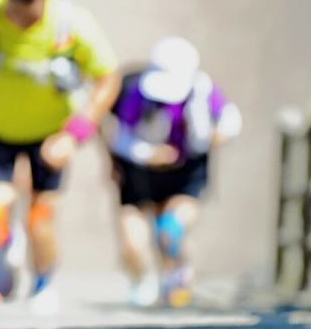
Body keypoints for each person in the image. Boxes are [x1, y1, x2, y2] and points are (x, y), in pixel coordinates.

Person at [0, 0, 121, 313]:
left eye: (28, 8)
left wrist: (74, 134)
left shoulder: (73, 24)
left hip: (50, 134)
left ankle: (43, 282)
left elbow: (108, 80)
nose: (19, 17)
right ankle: (2, 259)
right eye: (14, 6)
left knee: (40, 218)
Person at [104, 37, 242, 308]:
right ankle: (141, 280)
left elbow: (230, 118)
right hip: (141, 170)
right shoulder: (137, 91)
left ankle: (177, 274)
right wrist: (149, 155)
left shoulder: (202, 89)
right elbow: (121, 137)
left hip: (186, 169)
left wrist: (219, 135)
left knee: (171, 228)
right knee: (134, 240)